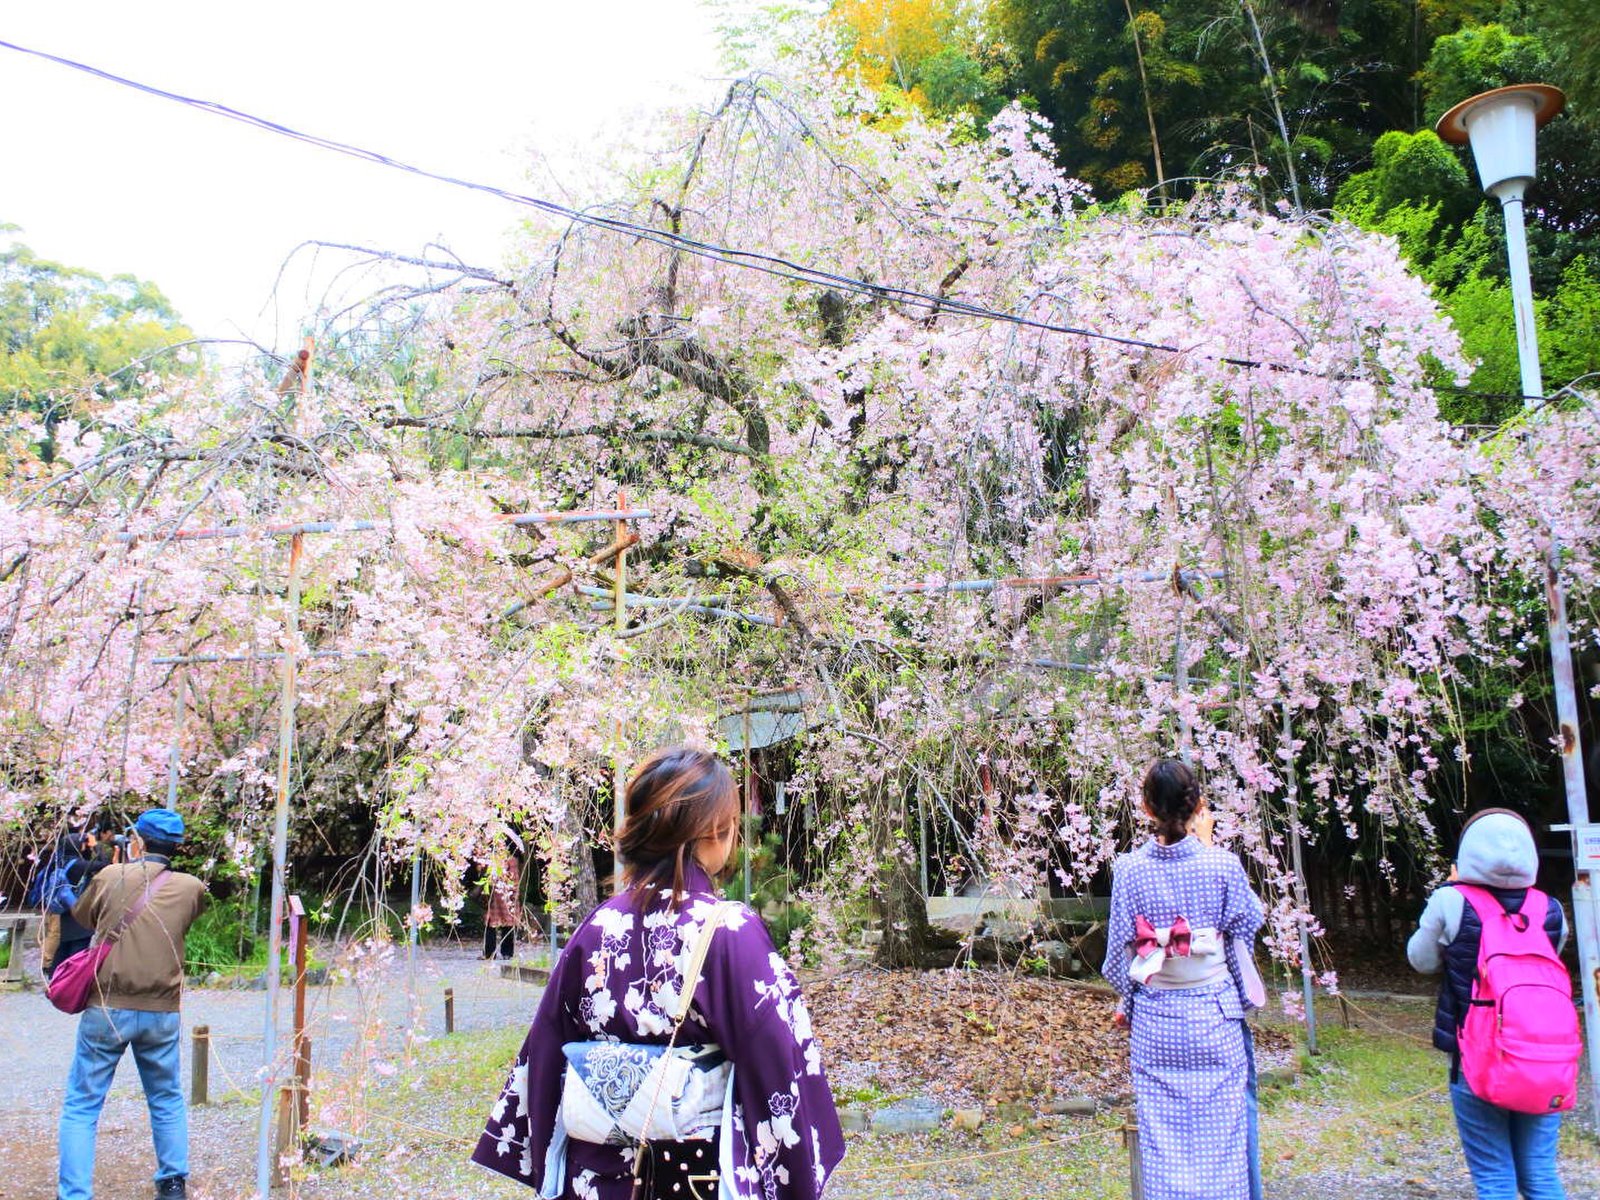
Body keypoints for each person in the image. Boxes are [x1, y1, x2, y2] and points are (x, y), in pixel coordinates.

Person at [472, 746, 845, 1199]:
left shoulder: (598, 925)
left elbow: (548, 1045)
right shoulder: (729, 930)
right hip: (694, 1179)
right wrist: (794, 1175)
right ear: (712, 829)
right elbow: (777, 1059)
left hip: (599, 1180)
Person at [1102, 758, 1265, 1200]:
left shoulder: (1129, 870)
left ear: (1146, 807)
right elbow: (1250, 919)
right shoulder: (1222, 864)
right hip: (1214, 1015)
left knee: (1164, 1140)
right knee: (1224, 1138)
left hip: (1158, 1022)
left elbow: (1121, 956)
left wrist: (1128, 1003)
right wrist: (1207, 847)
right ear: (1199, 806)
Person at [1408, 808, 1569, 1200]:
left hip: (1478, 1057)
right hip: (1544, 1056)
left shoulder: (1451, 900)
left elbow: (1422, 961)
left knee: (1495, 1178)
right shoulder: (1550, 908)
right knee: (1540, 1173)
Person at [58, 808, 208, 1200]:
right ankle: (173, 1182)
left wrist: (119, 868)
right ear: (176, 846)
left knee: (83, 1103)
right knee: (166, 1097)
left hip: (108, 1005)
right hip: (161, 1009)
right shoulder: (191, 887)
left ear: (136, 840)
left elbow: (84, 915)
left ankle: (74, 1193)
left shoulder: (111, 876)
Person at [484, 844, 523, 961]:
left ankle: (490, 953)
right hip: (504, 893)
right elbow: (514, 878)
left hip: (500, 893)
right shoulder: (510, 860)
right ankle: (505, 952)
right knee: (507, 922)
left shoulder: (497, 859)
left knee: (492, 923)